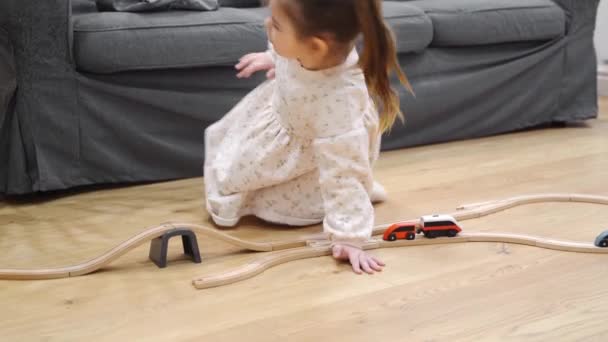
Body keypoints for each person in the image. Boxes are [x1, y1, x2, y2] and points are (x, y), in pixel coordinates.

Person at [204, 0, 412, 274]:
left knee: (253, 194)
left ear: (315, 46)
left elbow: (343, 171)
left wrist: (350, 237)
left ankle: (349, 207)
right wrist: (274, 55)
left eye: (276, 25)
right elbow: (290, 47)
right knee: (230, 163)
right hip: (285, 125)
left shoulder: (338, 100)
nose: (267, 25)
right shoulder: (310, 49)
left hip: (320, 162)